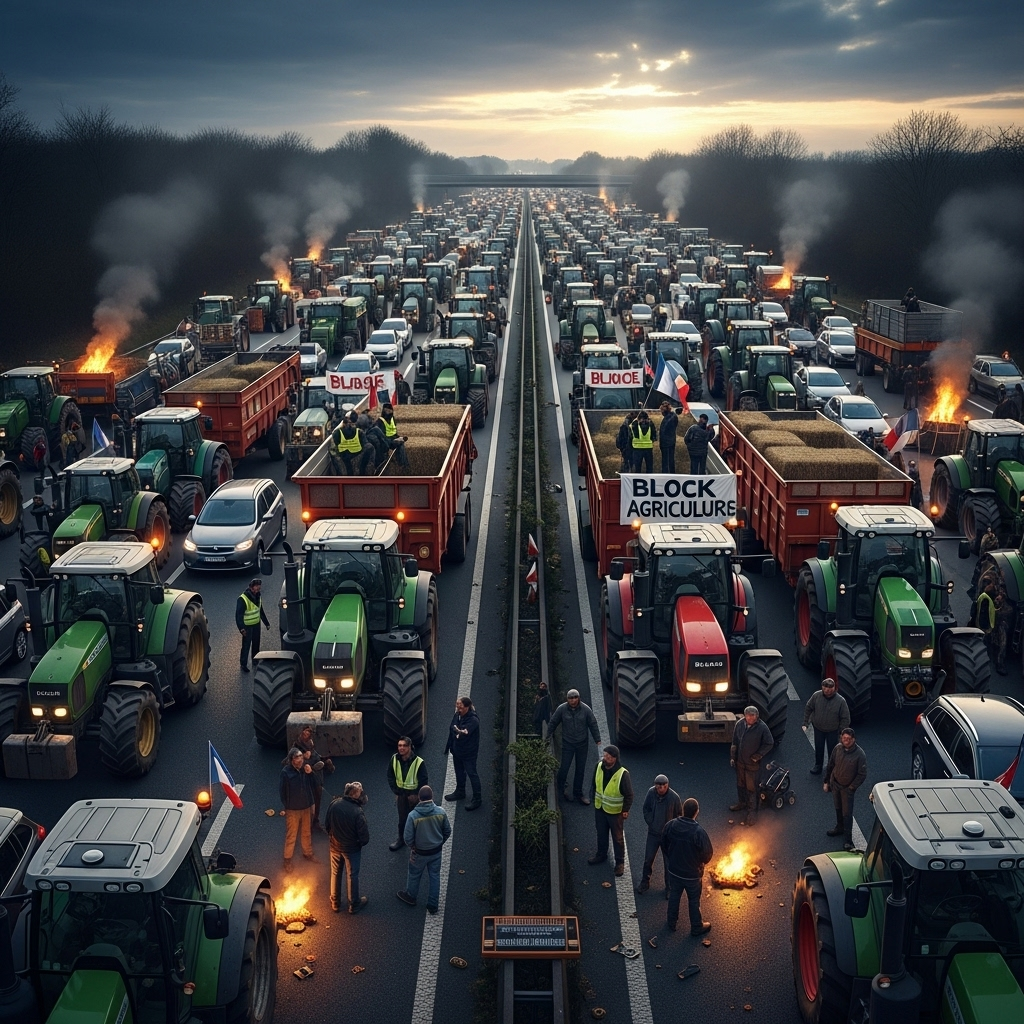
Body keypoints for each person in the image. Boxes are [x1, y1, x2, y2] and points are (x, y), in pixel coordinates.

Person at [661, 798, 713, 936]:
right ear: (697, 812)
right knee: (694, 901)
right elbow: (707, 854)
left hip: (674, 871)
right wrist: (700, 863)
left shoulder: (670, 825)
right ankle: (696, 927)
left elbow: (664, 844)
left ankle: (671, 922)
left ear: (683, 810)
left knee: (674, 895)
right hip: (692, 875)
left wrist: (671, 858)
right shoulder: (699, 832)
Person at [397, 786, 452, 914]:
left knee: (414, 874)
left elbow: (407, 837)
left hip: (419, 852)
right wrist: (440, 843)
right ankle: (433, 904)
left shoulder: (413, 816)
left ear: (419, 798)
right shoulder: (441, 812)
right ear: (432, 796)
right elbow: (447, 831)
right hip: (436, 851)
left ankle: (411, 896)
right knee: (435, 876)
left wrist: (413, 847)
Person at [549, 688, 602, 804]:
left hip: (582, 744)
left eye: (575, 697)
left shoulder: (586, 710)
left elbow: (593, 724)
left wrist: (597, 739)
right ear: (567, 699)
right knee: (564, 767)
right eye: (570, 698)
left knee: (580, 769)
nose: (573, 700)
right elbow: (553, 722)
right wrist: (547, 736)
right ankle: (560, 790)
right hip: (568, 743)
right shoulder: (562, 709)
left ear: (579, 698)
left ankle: (578, 793)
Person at [588, 745, 633, 876]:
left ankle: (620, 863)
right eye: (605, 755)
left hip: (615, 813)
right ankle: (601, 855)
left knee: (617, 838)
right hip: (600, 808)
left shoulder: (623, 774)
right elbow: (594, 784)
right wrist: (593, 799)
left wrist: (625, 810)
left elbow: (629, 795)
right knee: (601, 834)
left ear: (614, 759)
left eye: (608, 757)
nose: (605, 758)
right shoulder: (599, 766)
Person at [325, 781, 369, 913]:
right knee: (352, 875)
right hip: (351, 849)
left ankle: (335, 902)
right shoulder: (357, 811)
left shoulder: (334, 804)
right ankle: (353, 904)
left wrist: (333, 837)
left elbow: (327, 824)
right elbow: (364, 837)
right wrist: (359, 843)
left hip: (335, 846)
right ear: (355, 795)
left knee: (335, 872)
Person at [637, 774, 682, 896]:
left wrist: (672, 830)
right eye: (659, 786)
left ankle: (669, 888)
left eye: (664, 786)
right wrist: (651, 821)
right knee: (648, 859)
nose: (661, 788)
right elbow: (646, 809)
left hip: (668, 837)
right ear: (655, 785)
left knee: (668, 863)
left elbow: (679, 816)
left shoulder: (674, 797)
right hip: (653, 834)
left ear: (667, 785)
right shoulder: (651, 793)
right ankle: (645, 882)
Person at [824, 727, 867, 851]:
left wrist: (852, 788)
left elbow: (862, 774)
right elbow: (831, 764)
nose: (845, 741)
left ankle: (848, 840)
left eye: (848, 739)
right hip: (835, 784)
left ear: (853, 739)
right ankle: (839, 828)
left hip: (847, 789)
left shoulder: (860, 754)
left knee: (847, 814)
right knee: (838, 808)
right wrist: (827, 781)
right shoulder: (837, 748)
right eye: (843, 738)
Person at [729, 706, 773, 825]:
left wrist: (758, 755)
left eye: (752, 715)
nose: (750, 717)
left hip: (752, 766)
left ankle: (752, 813)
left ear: (757, 716)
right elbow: (734, 742)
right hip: (740, 763)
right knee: (740, 785)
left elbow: (769, 743)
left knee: (752, 789)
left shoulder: (762, 728)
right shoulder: (739, 724)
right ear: (745, 715)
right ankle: (742, 803)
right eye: (748, 715)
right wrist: (733, 757)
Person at [387, 736, 428, 851]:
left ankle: (418, 842)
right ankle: (401, 839)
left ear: (410, 747)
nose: (401, 748)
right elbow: (390, 776)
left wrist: (416, 795)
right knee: (402, 820)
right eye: (399, 745)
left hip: (414, 796)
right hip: (401, 795)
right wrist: (396, 791)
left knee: (417, 819)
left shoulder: (418, 762)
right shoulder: (394, 759)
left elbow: (423, 780)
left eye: (404, 746)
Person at [803, 678, 851, 775]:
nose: (827, 691)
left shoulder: (841, 701)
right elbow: (808, 707)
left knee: (833, 750)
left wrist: (842, 732)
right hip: (818, 728)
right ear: (822, 687)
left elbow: (845, 718)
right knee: (819, 748)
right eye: (825, 688)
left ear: (834, 688)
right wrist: (805, 723)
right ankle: (818, 765)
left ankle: (832, 767)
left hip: (833, 730)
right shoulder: (816, 696)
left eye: (830, 689)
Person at [280, 747, 317, 870]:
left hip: (306, 807)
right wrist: (286, 806)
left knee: (306, 832)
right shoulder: (286, 773)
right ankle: (287, 860)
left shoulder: (305, 769)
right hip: (293, 810)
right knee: (291, 835)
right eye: (297, 757)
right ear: (292, 760)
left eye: (301, 756)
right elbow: (282, 792)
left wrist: (310, 773)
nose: (300, 759)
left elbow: (315, 784)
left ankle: (308, 853)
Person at [443, 696, 481, 811]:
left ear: (467, 707)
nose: (458, 709)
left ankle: (477, 798)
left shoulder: (473, 720)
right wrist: (450, 746)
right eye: (457, 707)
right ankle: (460, 791)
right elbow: (452, 729)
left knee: (472, 774)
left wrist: (458, 732)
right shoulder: (458, 715)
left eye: (460, 707)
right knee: (459, 772)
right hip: (457, 751)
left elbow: (463, 733)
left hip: (469, 753)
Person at [295, 723, 334, 831]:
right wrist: (309, 767)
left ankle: (315, 822)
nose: (308, 734)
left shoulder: (310, 745)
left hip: (316, 781)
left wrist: (325, 761)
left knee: (317, 802)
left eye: (309, 732)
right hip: (306, 782)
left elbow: (316, 757)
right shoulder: (297, 749)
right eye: (306, 731)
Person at [236, 578, 270, 673]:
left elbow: (261, 611)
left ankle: (255, 660)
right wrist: (241, 628)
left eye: (259, 588)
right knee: (246, 645)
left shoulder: (258, 597)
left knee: (256, 643)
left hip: (256, 625)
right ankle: (243, 664)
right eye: (256, 588)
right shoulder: (243, 599)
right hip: (247, 626)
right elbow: (238, 615)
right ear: (251, 587)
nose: (258, 590)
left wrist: (266, 623)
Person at [377, 402, 410, 468]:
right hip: (386, 441)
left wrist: (398, 437)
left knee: (400, 444)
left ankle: (403, 465)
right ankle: (404, 464)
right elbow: (382, 435)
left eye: (389, 410)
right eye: (386, 410)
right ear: (383, 411)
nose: (388, 412)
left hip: (394, 438)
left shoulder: (392, 418)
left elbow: (394, 431)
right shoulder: (380, 420)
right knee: (400, 444)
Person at [658, 401, 679, 473]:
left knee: (667, 461)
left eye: (662, 410)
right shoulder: (671, 416)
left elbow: (664, 430)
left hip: (667, 443)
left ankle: (667, 474)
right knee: (669, 460)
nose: (661, 412)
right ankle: (670, 473)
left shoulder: (669, 418)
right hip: (670, 441)